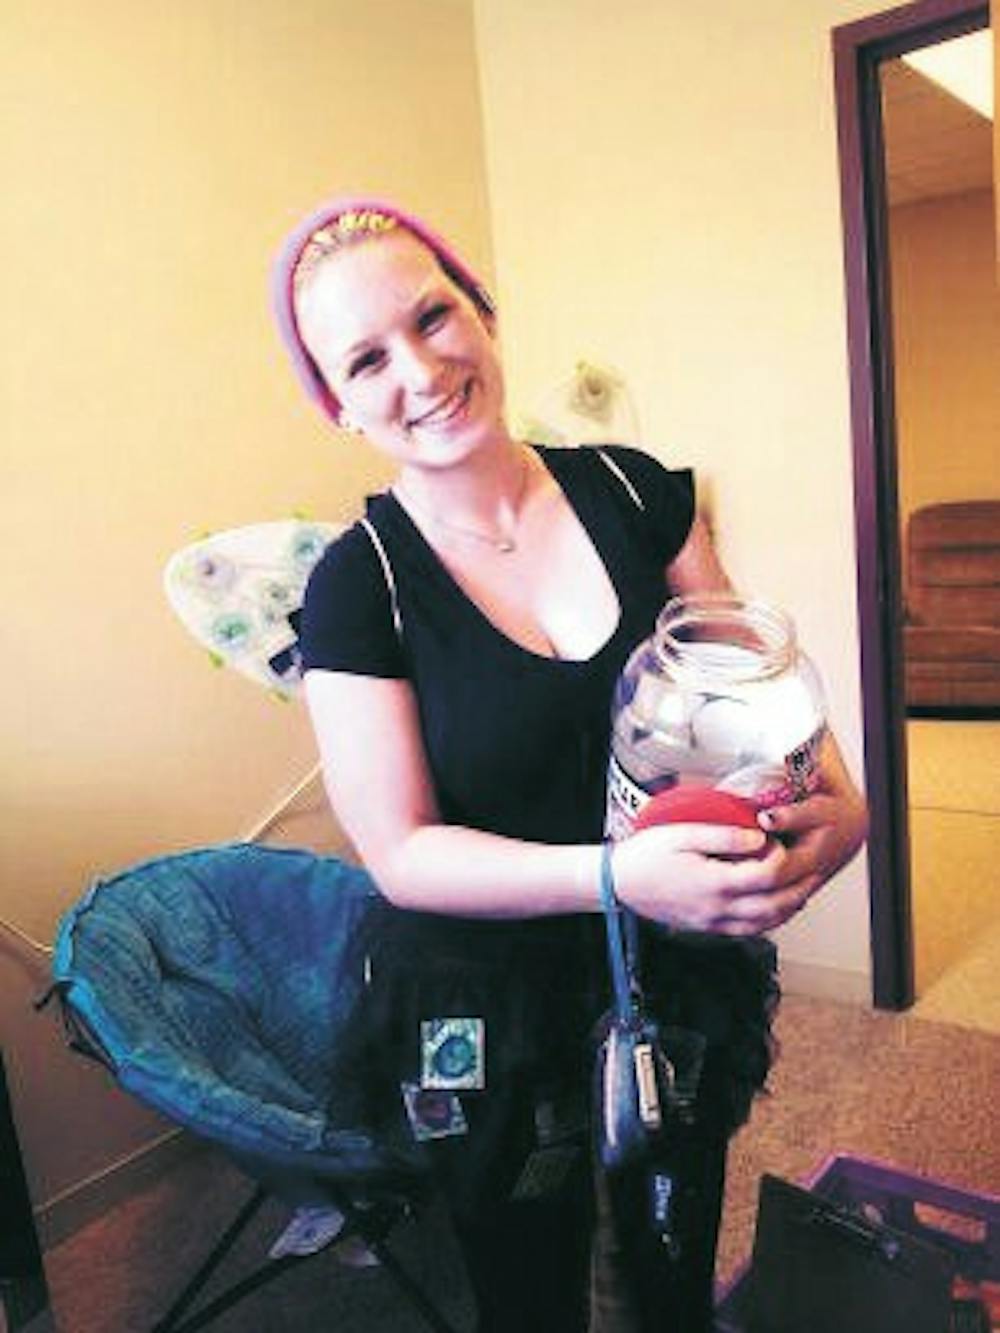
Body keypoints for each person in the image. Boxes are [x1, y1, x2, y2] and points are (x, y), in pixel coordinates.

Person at [271, 197, 868, 1332]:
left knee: (668, 1250)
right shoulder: (360, 585)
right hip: (485, 1003)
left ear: (482, 312)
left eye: (432, 317)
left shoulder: (636, 494)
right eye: (366, 360)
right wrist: (614, 875)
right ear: (337, 405)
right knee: (530, 1289)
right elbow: (400, 851)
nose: (420, 371)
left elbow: (750, 682)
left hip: (673, 971)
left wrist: (842, 805)